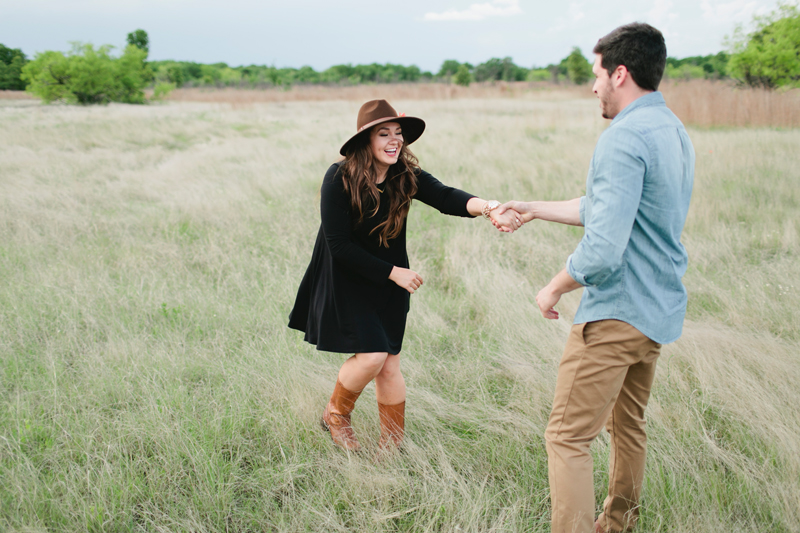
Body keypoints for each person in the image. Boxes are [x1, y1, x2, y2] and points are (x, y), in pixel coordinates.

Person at [497, 23, 695, 533]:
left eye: (596, 74)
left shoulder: (622, 138)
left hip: (616, 314)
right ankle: (617, 523)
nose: (593, 87)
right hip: (656, 312)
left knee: (566, 437)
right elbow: (613, 208)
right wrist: (535, 208)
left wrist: (555, 285)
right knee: (628, 425)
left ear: (620, 73)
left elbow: (604, 249)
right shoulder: (671, 128)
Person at [288, 99, 521, 454]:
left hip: (391, 281)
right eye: (384, 134)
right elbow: (338, 245)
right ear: (365, 140)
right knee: (372, 356)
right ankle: (335, 415)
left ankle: (391, 448)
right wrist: (393, 273)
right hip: (348, 277)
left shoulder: (403, 175)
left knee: (389, 365)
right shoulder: (339, 177)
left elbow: (446, 197)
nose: (394, 140)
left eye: (398, 134)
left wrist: (489, 207)